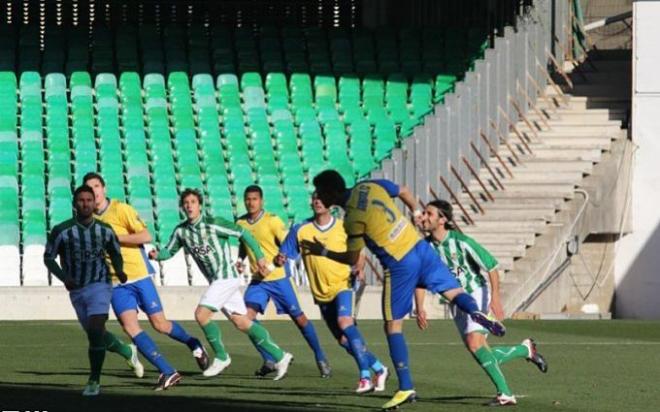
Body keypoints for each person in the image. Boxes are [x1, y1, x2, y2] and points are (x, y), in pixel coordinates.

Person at [301, 170, 506, 410]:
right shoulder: (368, 186)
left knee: (392, 326)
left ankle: (406, 387)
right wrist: (417, 213)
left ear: (330, 192)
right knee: (454, 293)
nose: (320, 198)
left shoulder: (352, 219)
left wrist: (322, 252)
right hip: (421, 248)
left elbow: (352, 258)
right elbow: (405, 191)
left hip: (399, 263)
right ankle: (477, 312)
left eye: (322, 193)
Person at [149, 188, 294, 380]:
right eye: (186, 203)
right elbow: (169, 251)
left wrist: (259, 256)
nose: (189, 205)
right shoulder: (182, 231)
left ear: (200, 205)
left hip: (226, 277)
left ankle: (221, 356)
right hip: (218, 281)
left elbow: (243, 233)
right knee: (241, 322)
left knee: (201, 315)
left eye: (193, 202)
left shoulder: (214, 223)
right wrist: (157, 255)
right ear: (182, 207)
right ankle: (281, 356)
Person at [416, 200, 548, 406]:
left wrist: (495, 298)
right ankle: (525, 350)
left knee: (474, 343)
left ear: (443, 220)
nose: (423, 217)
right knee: (480, 349)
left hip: (476, 292)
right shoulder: (424, 248)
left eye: (429, 213)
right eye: (424, 213)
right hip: (455, 300)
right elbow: (420, 279)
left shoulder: (462, 242)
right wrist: (419, 307)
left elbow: (492, 266)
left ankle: (505, 393)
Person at [83, 172, 207, 391]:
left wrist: (116, 238)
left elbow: (146, 236)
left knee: (160, 324)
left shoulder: (122, 210)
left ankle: (192, 343)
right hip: (116, 283)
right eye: (88, 188)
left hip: (139, 275)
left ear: (103, 188)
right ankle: (168, 371)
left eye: (96, 186)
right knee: (130, 328)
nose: (93, 191)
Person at [276, 191, 389, 393]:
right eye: (315, 198)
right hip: (321, 293)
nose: (318, 201)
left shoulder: (343, 227)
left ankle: (365, 376)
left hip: (343, 284)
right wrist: (280, 259)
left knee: (344, 322)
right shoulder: (301, 230)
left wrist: (359, 268)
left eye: (322, 198)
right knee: (344, 341)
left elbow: (359, 252)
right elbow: (284, 253)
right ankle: (379, 368)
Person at [236, 185, 329, 378]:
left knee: (299, 319)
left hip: (278, 278)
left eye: (254, 199)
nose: (250, 202)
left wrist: (277, 261)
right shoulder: (241, 223)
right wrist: (239, 260)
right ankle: (269, 359)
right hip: (258, 280)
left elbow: (288, 244)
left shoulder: (272, 221)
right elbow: (244, 245)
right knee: (245, 319)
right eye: (247, 199)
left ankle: (320, 356)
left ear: (261, 201)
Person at [43, 185, 128, 396]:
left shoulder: (105, 230)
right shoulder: (62, 231)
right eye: (81, 200)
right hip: (77, 289)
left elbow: (115, 252)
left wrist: (119, 270)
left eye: (89, 200)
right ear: (74, 204)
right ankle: (127, 350)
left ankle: (94, 380)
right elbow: (48, 257)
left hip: (100, 284)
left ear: (94, 203)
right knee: (94, 333)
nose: (86, 203)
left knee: (96, 328)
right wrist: (64, 278)